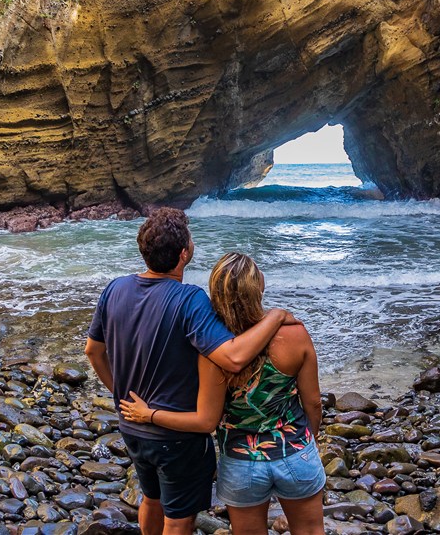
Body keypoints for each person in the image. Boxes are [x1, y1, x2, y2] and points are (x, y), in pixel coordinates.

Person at [84, 209, 297, 535]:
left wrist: (120, 394)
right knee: (178, 519)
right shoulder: (189, 300)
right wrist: (276, 316)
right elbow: (234, 358)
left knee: (152, 498)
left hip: (132, 423)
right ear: (185, 253)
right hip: (176, 436)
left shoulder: (115, 289)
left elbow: (93, 351)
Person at [120, 252, 325, 535]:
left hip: (242, 463)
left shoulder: (212, 351)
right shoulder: (295, 335)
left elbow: (208, 420)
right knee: (311, 531)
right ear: (259, 288)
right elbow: (313, 403)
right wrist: (307, 442)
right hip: (296, 453)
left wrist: (150, 415)